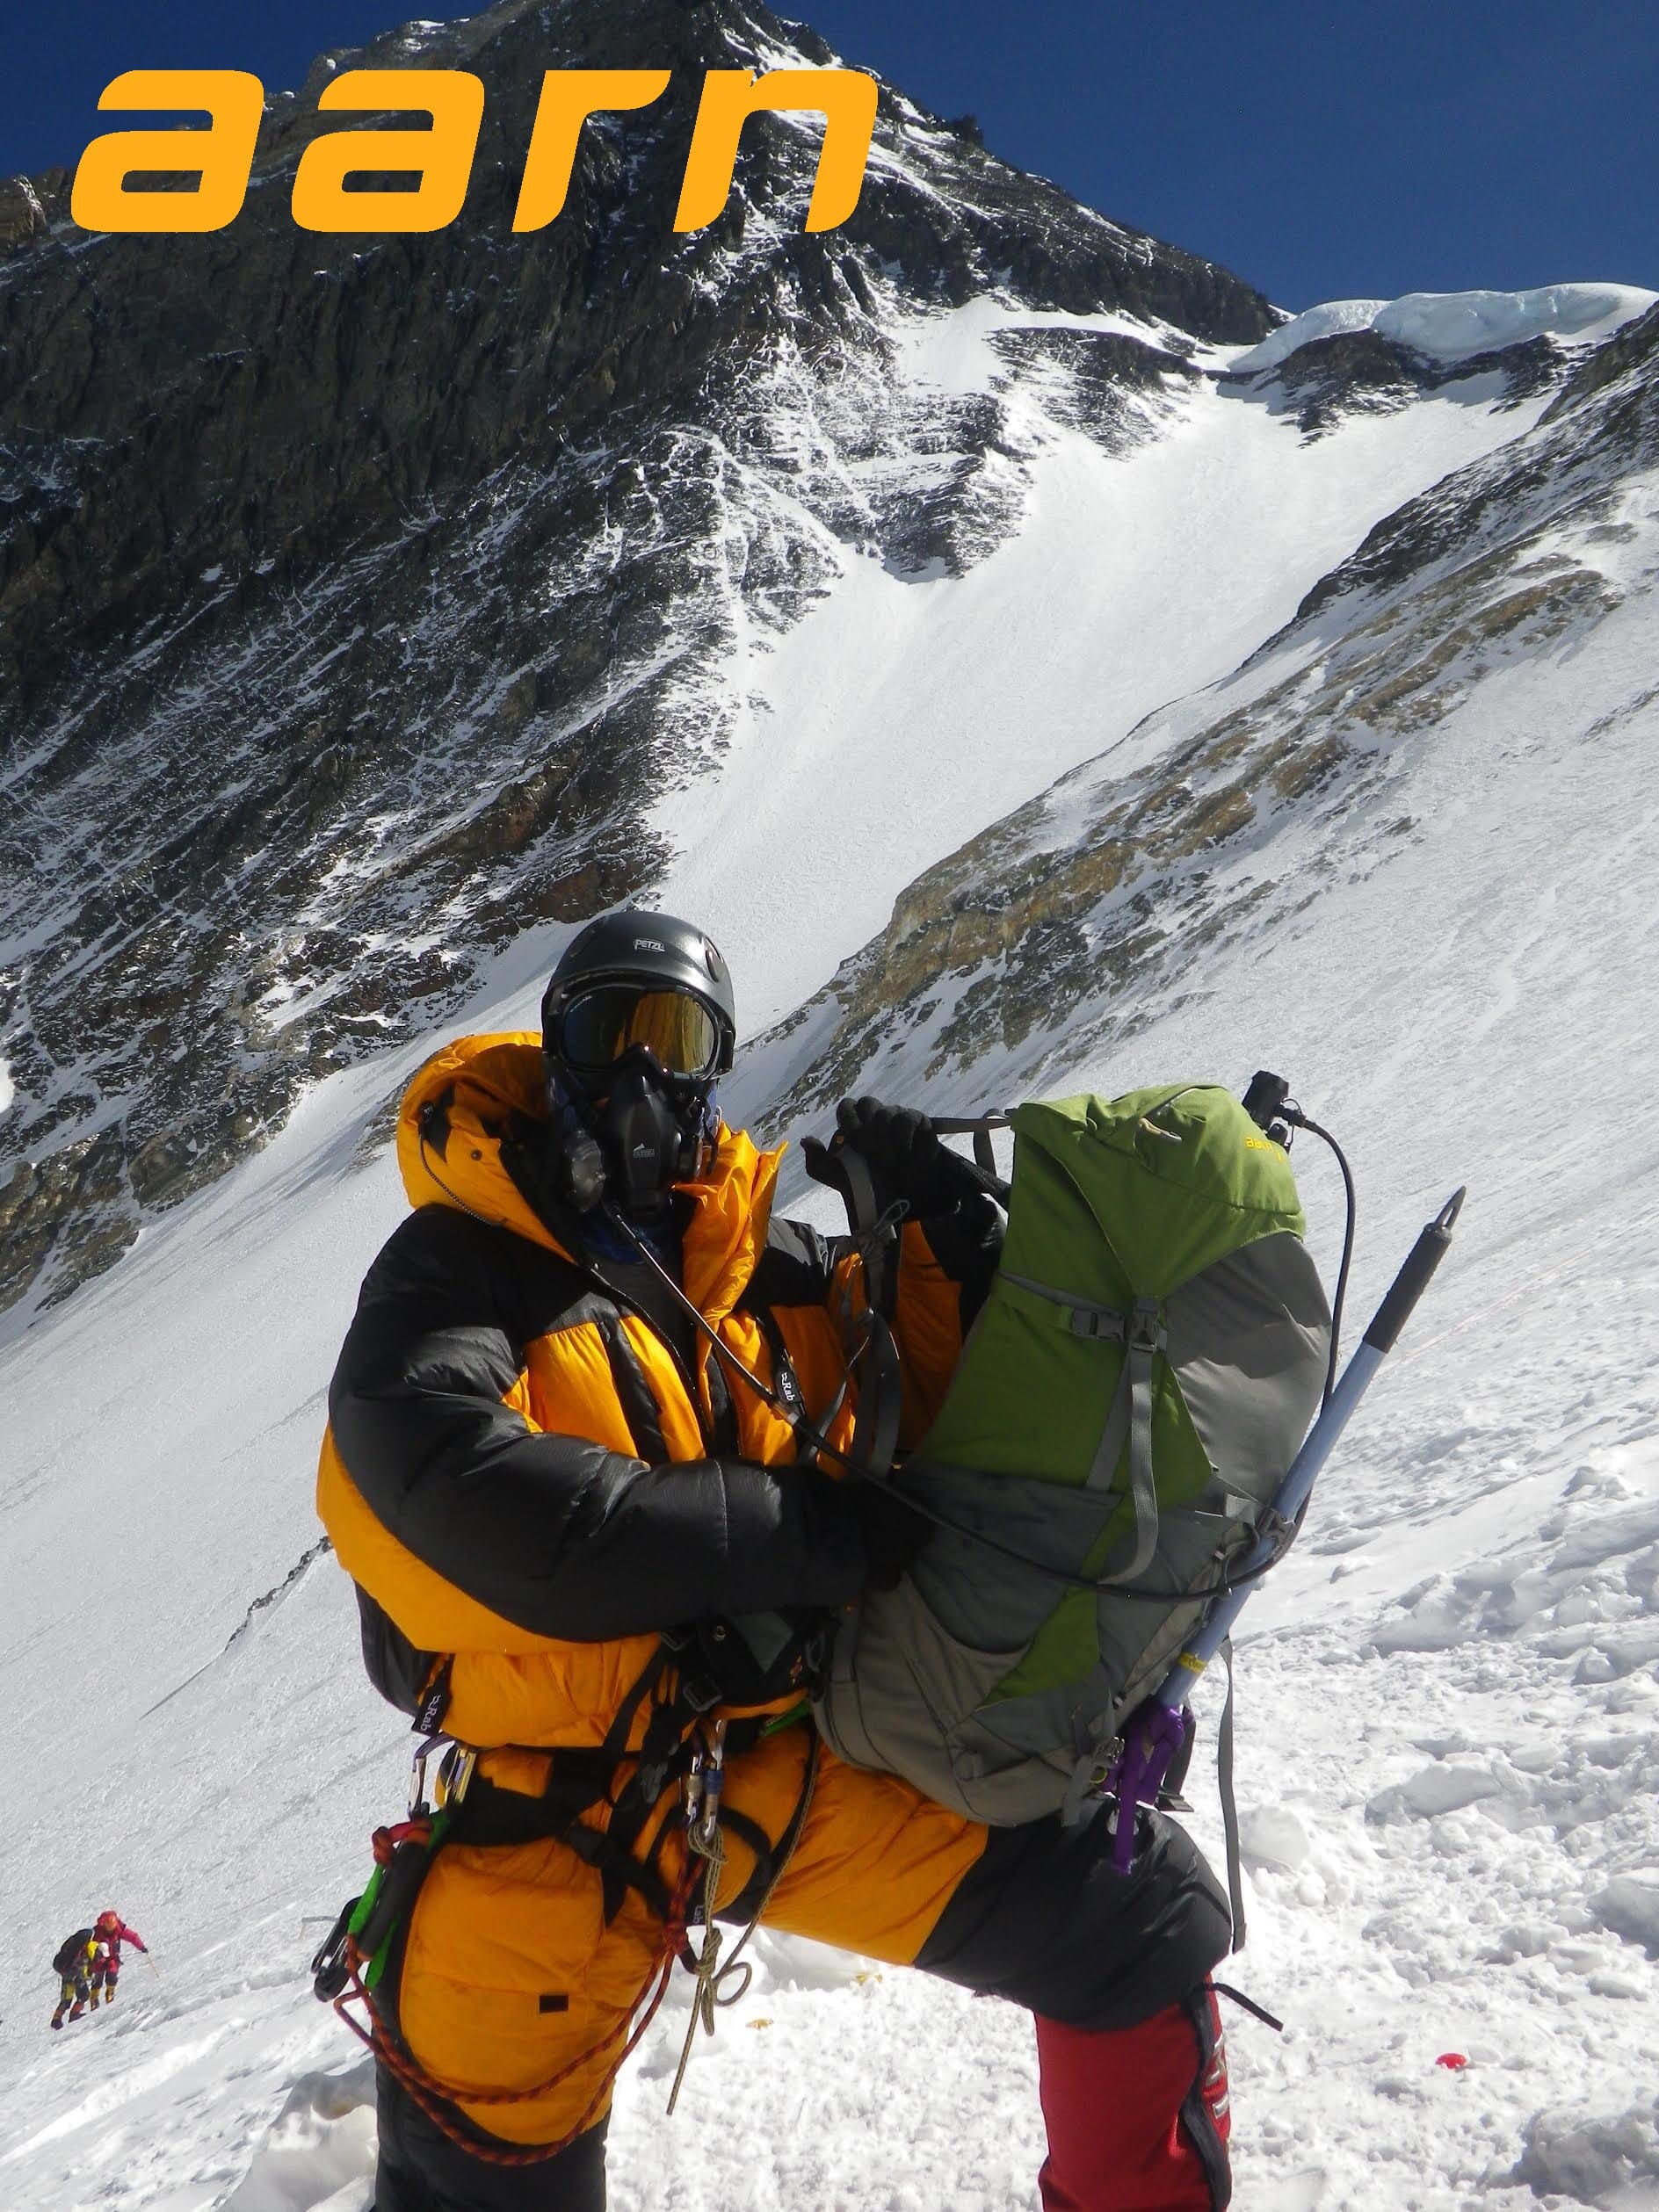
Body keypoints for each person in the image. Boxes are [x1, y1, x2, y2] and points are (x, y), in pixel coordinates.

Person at [317, 908, 1234, 2212]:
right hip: (564, 1801)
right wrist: (787, 1535)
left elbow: (932, 1422)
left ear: (715, 1068)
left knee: (1132, 1916)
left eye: (673, 1039)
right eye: (606, 1033)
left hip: (788, 1755)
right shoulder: (464, 1265)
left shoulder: (754, 1267)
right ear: (553, 1055)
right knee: (479, 2141)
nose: (639, 1078)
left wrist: (944, 1254)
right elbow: (437, 1476)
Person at [88, 1911, 148, 2007]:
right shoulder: (97, 1932)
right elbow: (90, 1946)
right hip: (98, 1959)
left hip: (113, 1958)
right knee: (98, 1979)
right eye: (108, 1926)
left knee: (112, 1975)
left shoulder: (119, 1930)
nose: (110, 1929)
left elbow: (132, 1937)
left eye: (112, 1926)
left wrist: (141, 1947)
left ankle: (110, 1995)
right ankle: (94, 1999)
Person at [50, 1928, 97, 2029]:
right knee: (84, 1995)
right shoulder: (85, 1947)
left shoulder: (71, 1944)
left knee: (66, 1999)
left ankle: (56, 2019)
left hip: (66, 1974)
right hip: (77, 1975)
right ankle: (74, 2014)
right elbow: (91, 1961)